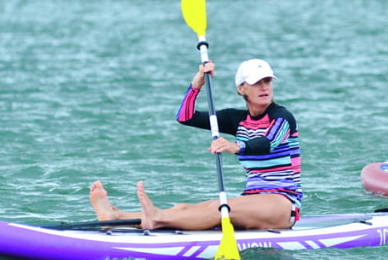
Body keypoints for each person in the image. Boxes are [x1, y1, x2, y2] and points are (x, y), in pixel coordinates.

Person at [89, 59, 302, 230]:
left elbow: (268, 143)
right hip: (252, 200)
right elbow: (185, 116)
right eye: (257, 82)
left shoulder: (283, 117)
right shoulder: (236, 119)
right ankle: (116, 216)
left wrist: (235, 146)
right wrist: (196, 84)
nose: (264, 87)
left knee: (220, 208)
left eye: (268, 81)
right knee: (189, 208)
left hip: (282, 203)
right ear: (241, 89)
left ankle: (155, 218)